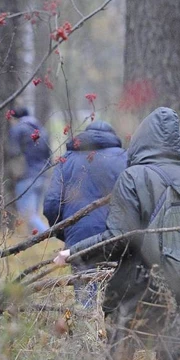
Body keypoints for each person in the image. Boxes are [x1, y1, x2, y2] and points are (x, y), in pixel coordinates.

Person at [53, 107, 180, 360]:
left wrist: (73, 252)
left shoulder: (133, 178)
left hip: (139, 290)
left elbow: (119, 239)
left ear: (142, 140)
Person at [43, 121, 127, 307]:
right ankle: (111, 332)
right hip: (116, 238)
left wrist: (67, 233)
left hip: (79, 240)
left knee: (85, 302)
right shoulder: (125, 158)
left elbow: (51, 204)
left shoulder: (67, 159)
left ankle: (86, 333)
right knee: (115, 299)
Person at [6, 107, 51, 235]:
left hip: (26, 177)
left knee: (28, 215)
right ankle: (36, 243)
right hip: (42, 176)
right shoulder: (41, 130)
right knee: (35, 214)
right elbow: (49, 154)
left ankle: (48, 235)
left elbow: (13, 151)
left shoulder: (18, 129)